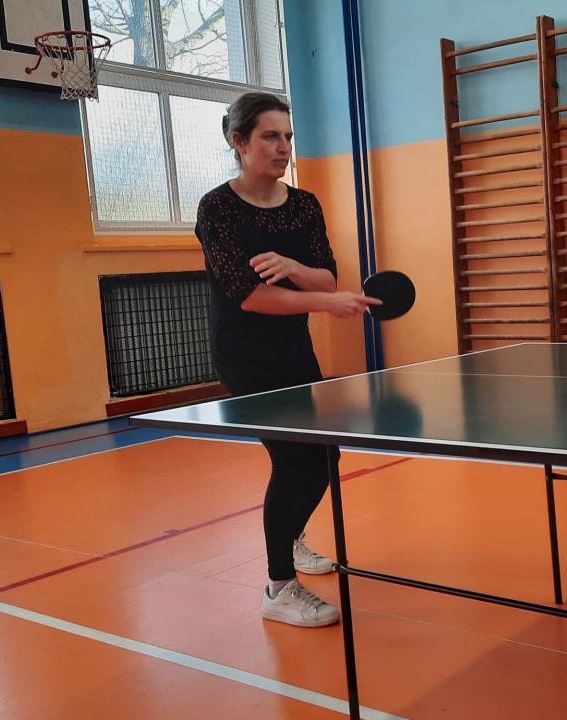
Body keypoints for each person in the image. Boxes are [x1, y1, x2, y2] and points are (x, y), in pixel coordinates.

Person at [195, 92, 380, 628]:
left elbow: (326, 276)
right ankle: (278, 588)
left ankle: (291, 538)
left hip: (295, 352)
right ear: (239, 142)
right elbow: (248, 296)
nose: (283, 147)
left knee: (325, 456)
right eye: (270, 136)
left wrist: (293, 266)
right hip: (245, 358)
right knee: (293, 461)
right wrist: (323, 301)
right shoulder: (218, 208)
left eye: (288, 137)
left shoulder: (303, 205)